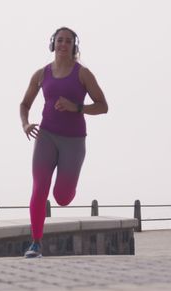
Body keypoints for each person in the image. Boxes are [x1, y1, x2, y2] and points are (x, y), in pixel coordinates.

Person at [19, 27, 108, 258]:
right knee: (39, 189)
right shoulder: (41, 74)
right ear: (53, 44)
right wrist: (26, 124)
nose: (63, 44)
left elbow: (102, 105)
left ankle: (69, 186)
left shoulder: (83, 74)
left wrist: (76, 107)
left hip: (74, 140)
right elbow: (24, 104)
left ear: (74, 46)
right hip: (46, 136)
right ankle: (36, 244)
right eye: (60, 40)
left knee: (62, 197)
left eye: (68, 41)